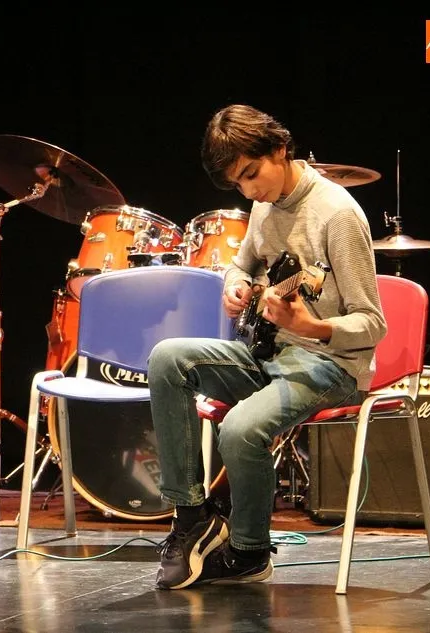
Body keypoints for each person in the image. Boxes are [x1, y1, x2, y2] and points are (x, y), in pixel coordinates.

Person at [147, 104, 386, 589]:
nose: (249, 191)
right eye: (237, 184)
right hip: (271, 352)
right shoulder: (263, 205)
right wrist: (234, 284)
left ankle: (249, 552)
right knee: (167, 358)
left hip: (331, 366)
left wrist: (313, 326)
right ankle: (191, 517)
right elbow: (243, 265)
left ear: (280, 148)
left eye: (252, 174)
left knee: (239, 428)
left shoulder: (338, 215)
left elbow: (373, 324)